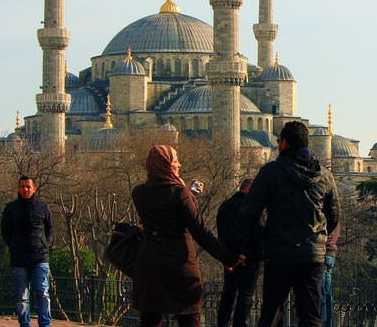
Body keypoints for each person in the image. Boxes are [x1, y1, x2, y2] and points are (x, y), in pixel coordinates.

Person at [236, 121, 340, 327]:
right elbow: (334, 215)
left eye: (278, 141)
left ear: (284, 143)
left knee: (272, 314)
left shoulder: (271, 172)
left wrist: (243, 246)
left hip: (279, 253)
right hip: (312, 255)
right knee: (311, 316)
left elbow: (249, 212)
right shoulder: (324, 176)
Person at [132, 145, 243, 327]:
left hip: (149, 264)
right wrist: (228, 258)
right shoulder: (180, 193)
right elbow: (200, 232)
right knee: (188, 317)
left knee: (150, 319)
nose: (179, 165)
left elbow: (163, 207)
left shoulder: (139, 193)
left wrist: (186, 194)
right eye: (175, 161)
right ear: (166, 164)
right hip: (179, 265)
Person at [1, 176, 53, 327]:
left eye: (28, 186)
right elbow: (5, 230)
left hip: (40, 257)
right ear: (18, 188)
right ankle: (25, 324)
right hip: (19, 258)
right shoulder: (11, 208)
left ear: (34, 188)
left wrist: (43, 245)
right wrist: (14, 246)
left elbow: (49, 229)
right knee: (22, 297)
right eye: (22, 186)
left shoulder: (43, 206)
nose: (25, 189)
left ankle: (45, 324)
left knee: (43, 293)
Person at [216, 178, 263, 327]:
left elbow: (222, 234)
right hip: (250, 259)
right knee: (246, 296)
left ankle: (222, 323)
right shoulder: (252, 206)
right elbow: (259, 232)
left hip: (230, 258)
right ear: (250, 189)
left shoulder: (224, 206)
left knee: (228, 293)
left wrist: (228, 255)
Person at [320, 224, 340, 327]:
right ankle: (328, 323)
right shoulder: (334, 213)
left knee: (322, 293)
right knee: (326, 293)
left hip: (322, 253)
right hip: (330, 252)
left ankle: (323, 323)